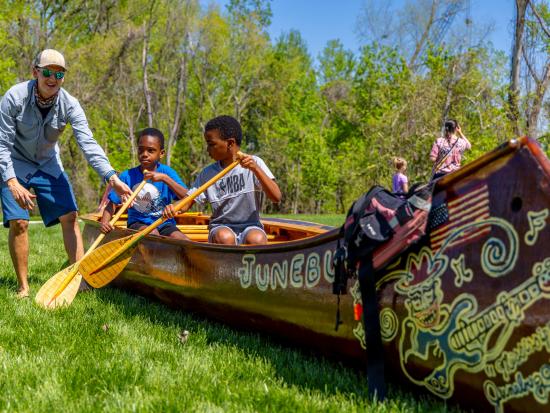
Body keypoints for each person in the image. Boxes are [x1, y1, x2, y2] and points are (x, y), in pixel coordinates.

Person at [0, 49, 132, 298]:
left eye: (59, 74)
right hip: (15, 162)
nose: (53, 78)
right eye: (48, 72)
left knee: (70, 216)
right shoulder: (14, 98)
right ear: (35, 72)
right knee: (19, 222)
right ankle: (23, 287)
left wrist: (112, 177)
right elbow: (2, 144)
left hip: (48, 162)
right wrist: (11, 182)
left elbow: (88, 143)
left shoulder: (70, 104)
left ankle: (78, 279)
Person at [164, 115, 282, 245]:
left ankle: (251, 264)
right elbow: (187, 202)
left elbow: (276, 197)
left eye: (211, 144)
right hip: (221, 228)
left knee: (257, 239)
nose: (208, 150)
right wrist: (173, 208)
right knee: (225, 237)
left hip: (251, 226)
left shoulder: (255, 163)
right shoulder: (208, 173)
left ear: (230, 143)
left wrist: (256, 169)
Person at [100, 128, 189, 240]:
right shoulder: (127, 176)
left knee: (183, 240)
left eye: (150, 151)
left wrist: (165, 179)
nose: (144, 154)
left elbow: (187, 197)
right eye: (141, 150)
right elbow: (112, 204)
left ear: (161, 153)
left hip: (165, 222)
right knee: (153, 235)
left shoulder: (167, 173)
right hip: (138, 223)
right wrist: (104, 222)